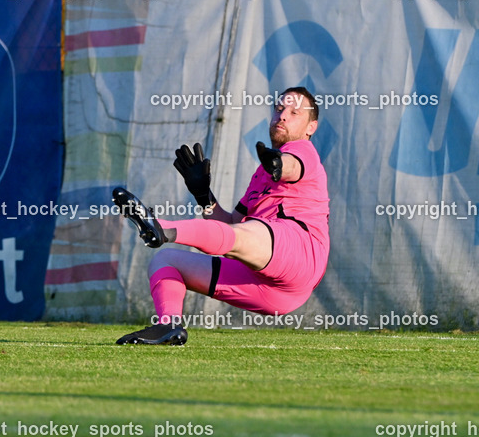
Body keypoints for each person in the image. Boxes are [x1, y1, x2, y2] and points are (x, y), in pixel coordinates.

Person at [113, 87, 330, 345]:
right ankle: (168, 326)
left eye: (294, 112)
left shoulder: (303, 150)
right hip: (269, 291)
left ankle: (160, 227)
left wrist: (279, 165)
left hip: (302, 257)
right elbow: (230, 228)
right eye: (279, 108)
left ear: (311, 127)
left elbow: (292, 165)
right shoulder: (261, 175)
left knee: (249, 232)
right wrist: (204, 196)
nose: (282, 116)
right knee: (165, 261)